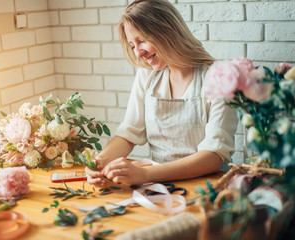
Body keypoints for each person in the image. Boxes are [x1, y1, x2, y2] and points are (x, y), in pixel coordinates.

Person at [86, 0, 238, 187]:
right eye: (132, 45)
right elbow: (128, 134)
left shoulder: (218, 77)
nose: (138, 54)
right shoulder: (147, 75)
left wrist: (144, 174)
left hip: (208, 187)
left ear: (166, 31)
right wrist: (99, 162)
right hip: (158, 185)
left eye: (141, 41)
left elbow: (213, 156)